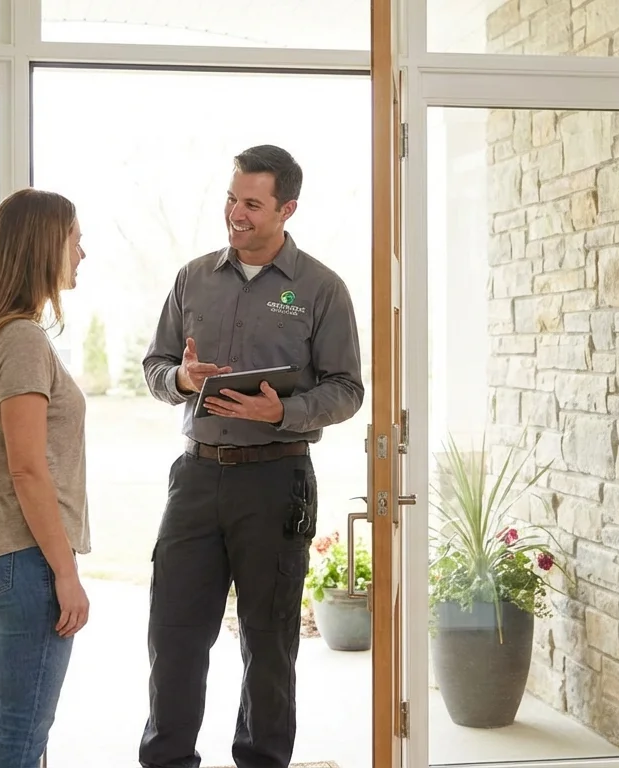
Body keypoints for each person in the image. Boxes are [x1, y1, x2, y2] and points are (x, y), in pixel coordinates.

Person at [139, 145, 365, 768]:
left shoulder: (321, 288)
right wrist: (181, 380)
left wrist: (283, 413)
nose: (235, 213)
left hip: (276, 480)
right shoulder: (193, 277)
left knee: (269, 644)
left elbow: (347, 389)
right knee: (174, 636)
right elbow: (154, 368)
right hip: (195, 477)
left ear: (287, 208)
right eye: (232, 199)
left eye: (252, 204)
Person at [0, 187, 91, 768]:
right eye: (74, 239)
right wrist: (67, 572)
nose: (83, 252)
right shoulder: (23, 340)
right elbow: (28, 468)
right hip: (23, 556)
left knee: (10, 719)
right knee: (23, 731)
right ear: (43, 247)